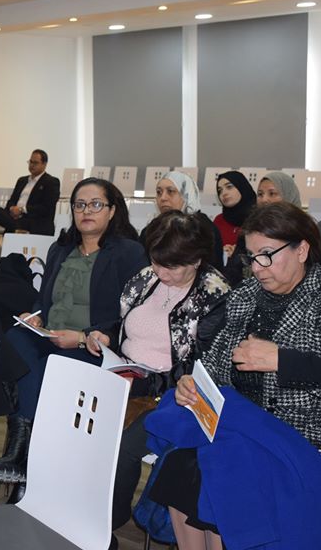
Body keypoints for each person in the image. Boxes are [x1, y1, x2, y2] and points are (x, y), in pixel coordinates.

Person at [156, 202, 321, 548]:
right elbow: (214, 362)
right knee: (181, 467)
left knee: (219, 474)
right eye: (251, 256)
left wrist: (282, 360)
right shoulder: (246, 296)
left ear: (301, 250)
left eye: (267, 255)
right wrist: (194, 383)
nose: (257, 268)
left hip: (313, 432)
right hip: (245, 427)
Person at [0, 178, 145, 497]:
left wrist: (83, 337)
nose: (86, 211)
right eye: (79, 205)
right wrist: (35, 315)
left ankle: (24, 461)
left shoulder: (129, 252)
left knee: (49, 366)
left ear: (112, 210)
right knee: (15, 339)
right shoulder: (60, 248)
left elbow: (134, 314)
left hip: (94, 345)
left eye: (96, 204)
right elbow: (45, 299)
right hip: (50, 336)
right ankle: (25, 455)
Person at [91, 211, 230, 538]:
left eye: (172, 266)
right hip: (124, 378)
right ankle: (76, 508)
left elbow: (204, 370)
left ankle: (103, 526)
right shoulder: (146, 278)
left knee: (119, 447)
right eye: (156, 262)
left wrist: (144, 381)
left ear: (196, 260)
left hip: (173, 396)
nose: (161, 272)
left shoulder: (214, 295)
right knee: (75, 428)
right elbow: (125, 324)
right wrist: (105, 336)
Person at [224, 171, 304, 285]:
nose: (264, 199)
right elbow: (233, 272)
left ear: (288, 195)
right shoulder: (250, 229)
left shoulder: (302, 229)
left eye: (272, 194)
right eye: (260, 194)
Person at [143, 171, 223, 268]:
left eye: (170, 191)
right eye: (159, 192)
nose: (163, 198)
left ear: (187, 194)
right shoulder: (151, 230)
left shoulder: (203, 229)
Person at [0, 149, 60, 235]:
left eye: (35, 163)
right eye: (30, 162)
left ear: (44, 164)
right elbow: (12, 200)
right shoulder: (22, 180)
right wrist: (12, 209)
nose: (32, 165)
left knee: (19, 223)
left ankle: (14, 226)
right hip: (15, 217)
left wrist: (22, 210)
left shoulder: (51, 182)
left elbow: (46, 207)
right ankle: (15, 225)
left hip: (34, 219)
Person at [212, 170, 256, 257]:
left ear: (242, 187)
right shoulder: (219, 220)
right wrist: (221, 252)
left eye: (229, 187)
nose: (224, 193)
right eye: (220, 191)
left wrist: (239, 253)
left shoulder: (259, 218)